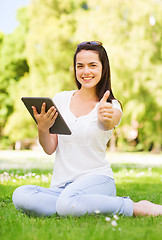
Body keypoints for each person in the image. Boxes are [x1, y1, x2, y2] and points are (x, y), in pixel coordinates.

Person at [12, 41, 162, 217]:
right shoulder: (60, 99)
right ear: (74, 69)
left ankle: (134, 207)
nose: (86, 71)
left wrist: (105, 117)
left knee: (67, 203)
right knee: (21, 195)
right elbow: (49, 148)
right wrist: (43, 128)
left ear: (103, 68)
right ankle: (72, 205)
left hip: (98, 181)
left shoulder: (111, 106)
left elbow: (110, 121)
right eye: (80, 66)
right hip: (62, 187)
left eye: (92, 65)